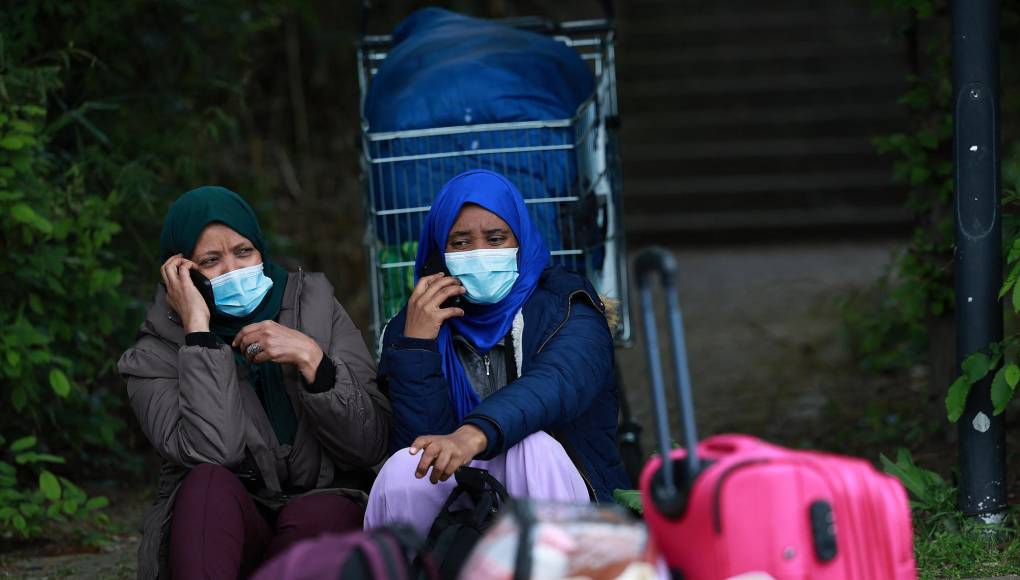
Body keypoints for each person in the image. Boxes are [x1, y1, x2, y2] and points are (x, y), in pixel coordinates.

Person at [118, 186, 391, 579]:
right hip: (226, 527)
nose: (232, 270)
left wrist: (315, 362)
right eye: (211, 260)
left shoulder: (315, 305)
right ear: (180, 272)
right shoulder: (154, 354)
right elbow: (214, 453)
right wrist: (199, 334)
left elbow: (369, 445)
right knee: (207, 485)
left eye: (243, 252)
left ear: (261, 250)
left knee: (322, 512)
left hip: (319, 507)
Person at [364, 169, 630, 536]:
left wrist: (473, 434)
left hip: (565, 488)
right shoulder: (412, 326)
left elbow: (556, 382)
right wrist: (417, 346)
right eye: (460, 243)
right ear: (439, 253)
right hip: (461, 492)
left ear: (520, 239)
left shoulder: (569, 305)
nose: (480, 254)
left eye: (495, 238)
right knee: (400, 469)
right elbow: (422, 444)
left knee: (532, 448)